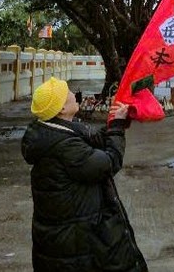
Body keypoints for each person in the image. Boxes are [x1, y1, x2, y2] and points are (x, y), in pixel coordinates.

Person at [21, 76, 148, 272]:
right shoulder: (65, 146)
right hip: (74, 245)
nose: (74, 94)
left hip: (64, 240)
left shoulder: (55, 133)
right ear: (62, 109)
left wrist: (115, 123)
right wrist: (116, 130)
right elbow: (108, 163)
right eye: (68, 93)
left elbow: (93, 139)